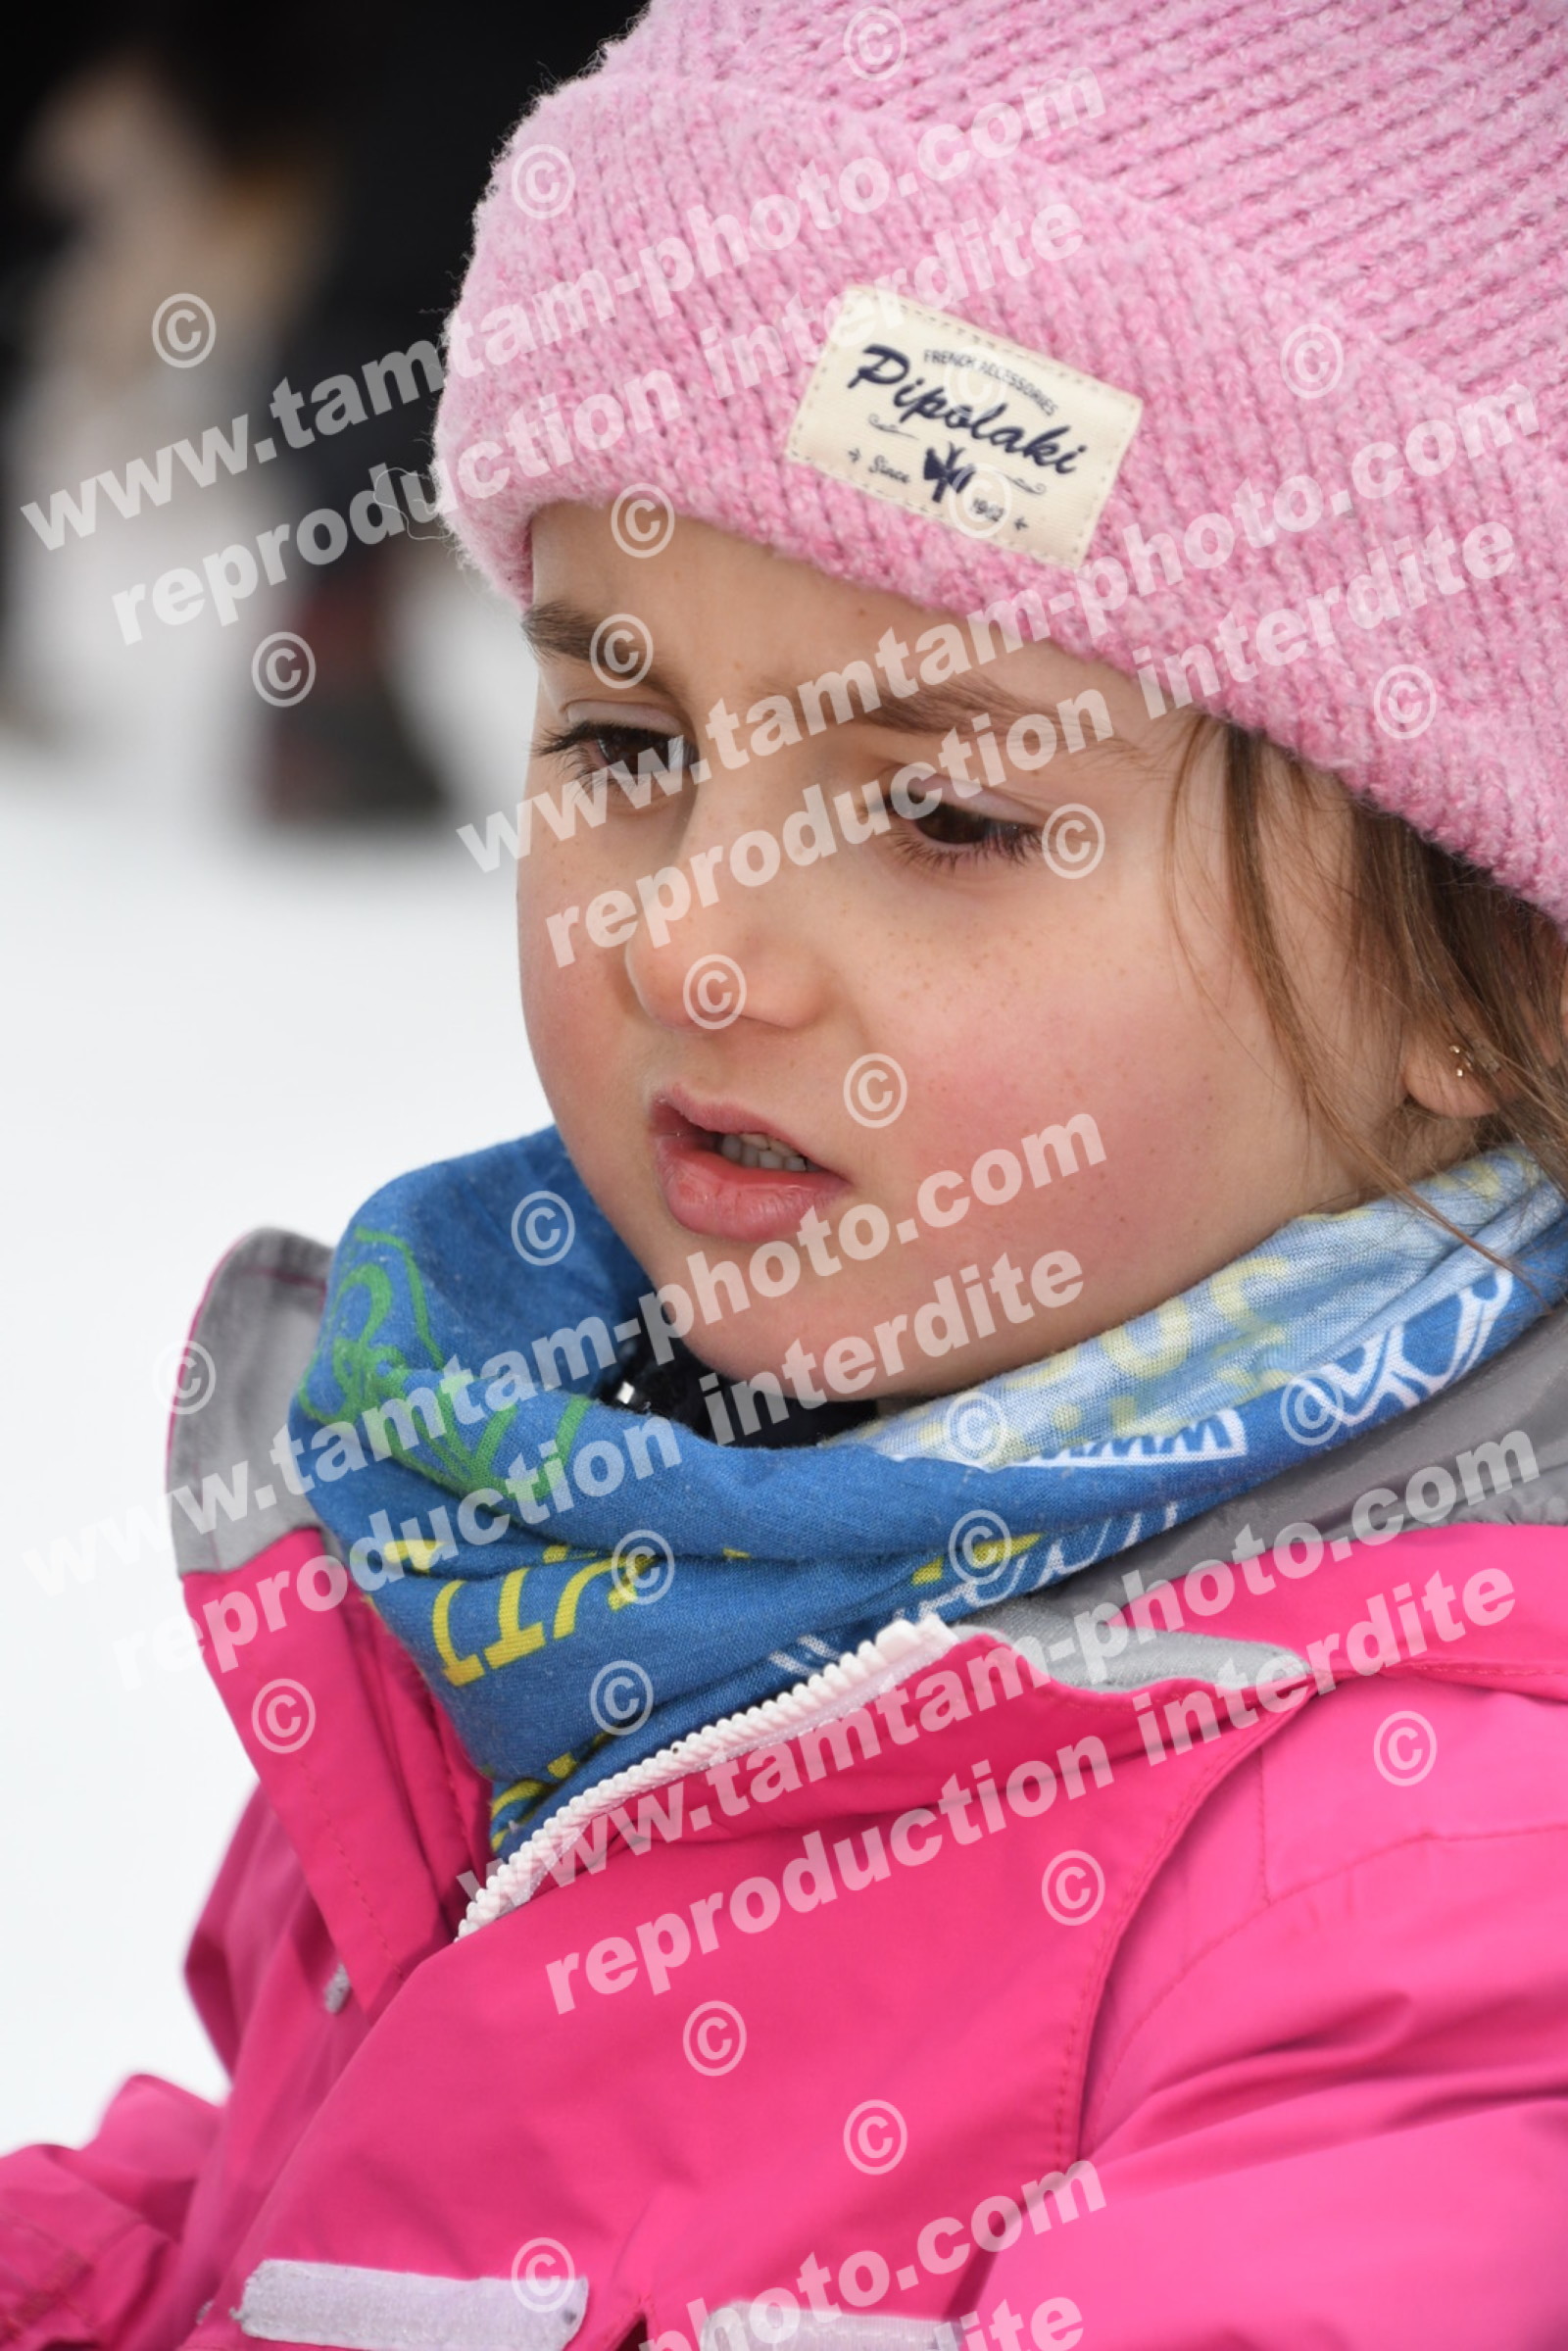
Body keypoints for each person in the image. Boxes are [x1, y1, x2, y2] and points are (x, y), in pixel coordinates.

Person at [5, 0, 1568, 2341]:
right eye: (625, 740)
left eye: (940, 813)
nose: (689, 940)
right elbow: (283, 2222)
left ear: (1485, 974)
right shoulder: (536, 1548)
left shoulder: (1434, 1902)